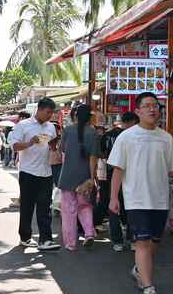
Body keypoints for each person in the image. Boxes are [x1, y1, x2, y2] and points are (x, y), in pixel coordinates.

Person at [108, 92, 173, 294]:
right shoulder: (126, 137)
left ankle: (138, 270)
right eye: (147, 106)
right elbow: (118, 169)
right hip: (135, 199)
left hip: (160, 200)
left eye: (155, 105)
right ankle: (148, 286)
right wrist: (113, 198)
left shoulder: (166, 138)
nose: (153, 109)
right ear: (138, 111)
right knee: (142, 242)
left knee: (153, 243)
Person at [10, 97, 60, 251]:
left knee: (45, 206)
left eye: (52, 113)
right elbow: (15, 146)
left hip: (45, 172)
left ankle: (45, 240)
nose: (50, 115)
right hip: (28, 172)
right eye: (48, 112)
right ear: (39, 109)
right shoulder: (23, 126)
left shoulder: (51, 127)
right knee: (27, 206)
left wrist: (53, 144)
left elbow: (52, 145)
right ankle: (25, 236)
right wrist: (30, 143)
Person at [58, 104, 101, 251]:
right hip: (84, 175)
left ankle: (70, 243)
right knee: (85, 206)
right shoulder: (93, 132)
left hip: (68, 175)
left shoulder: (67, 130)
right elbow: (93, 157)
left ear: (75, 116)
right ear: (90, 117)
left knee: (68, 210)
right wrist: (91, 177)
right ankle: (89, 233)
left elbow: (61, 149)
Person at [101, 112, 139, 252]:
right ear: (134, 121)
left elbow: (103, 154)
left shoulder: (108, 135)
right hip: (131, 175)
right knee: (131, 207)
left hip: (112, 174)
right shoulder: (135, 136)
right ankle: (132, 238)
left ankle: (117, 241)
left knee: (113, 206)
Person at [50, 123, 63, 214]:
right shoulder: (45, 139)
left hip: (58, 165)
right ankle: (49, 204)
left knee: (59, 187)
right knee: (47, 188)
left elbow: (62, 155)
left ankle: (58, 206)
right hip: (46, 166)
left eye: (55, 129)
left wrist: (54, 148)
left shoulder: (61, 140)